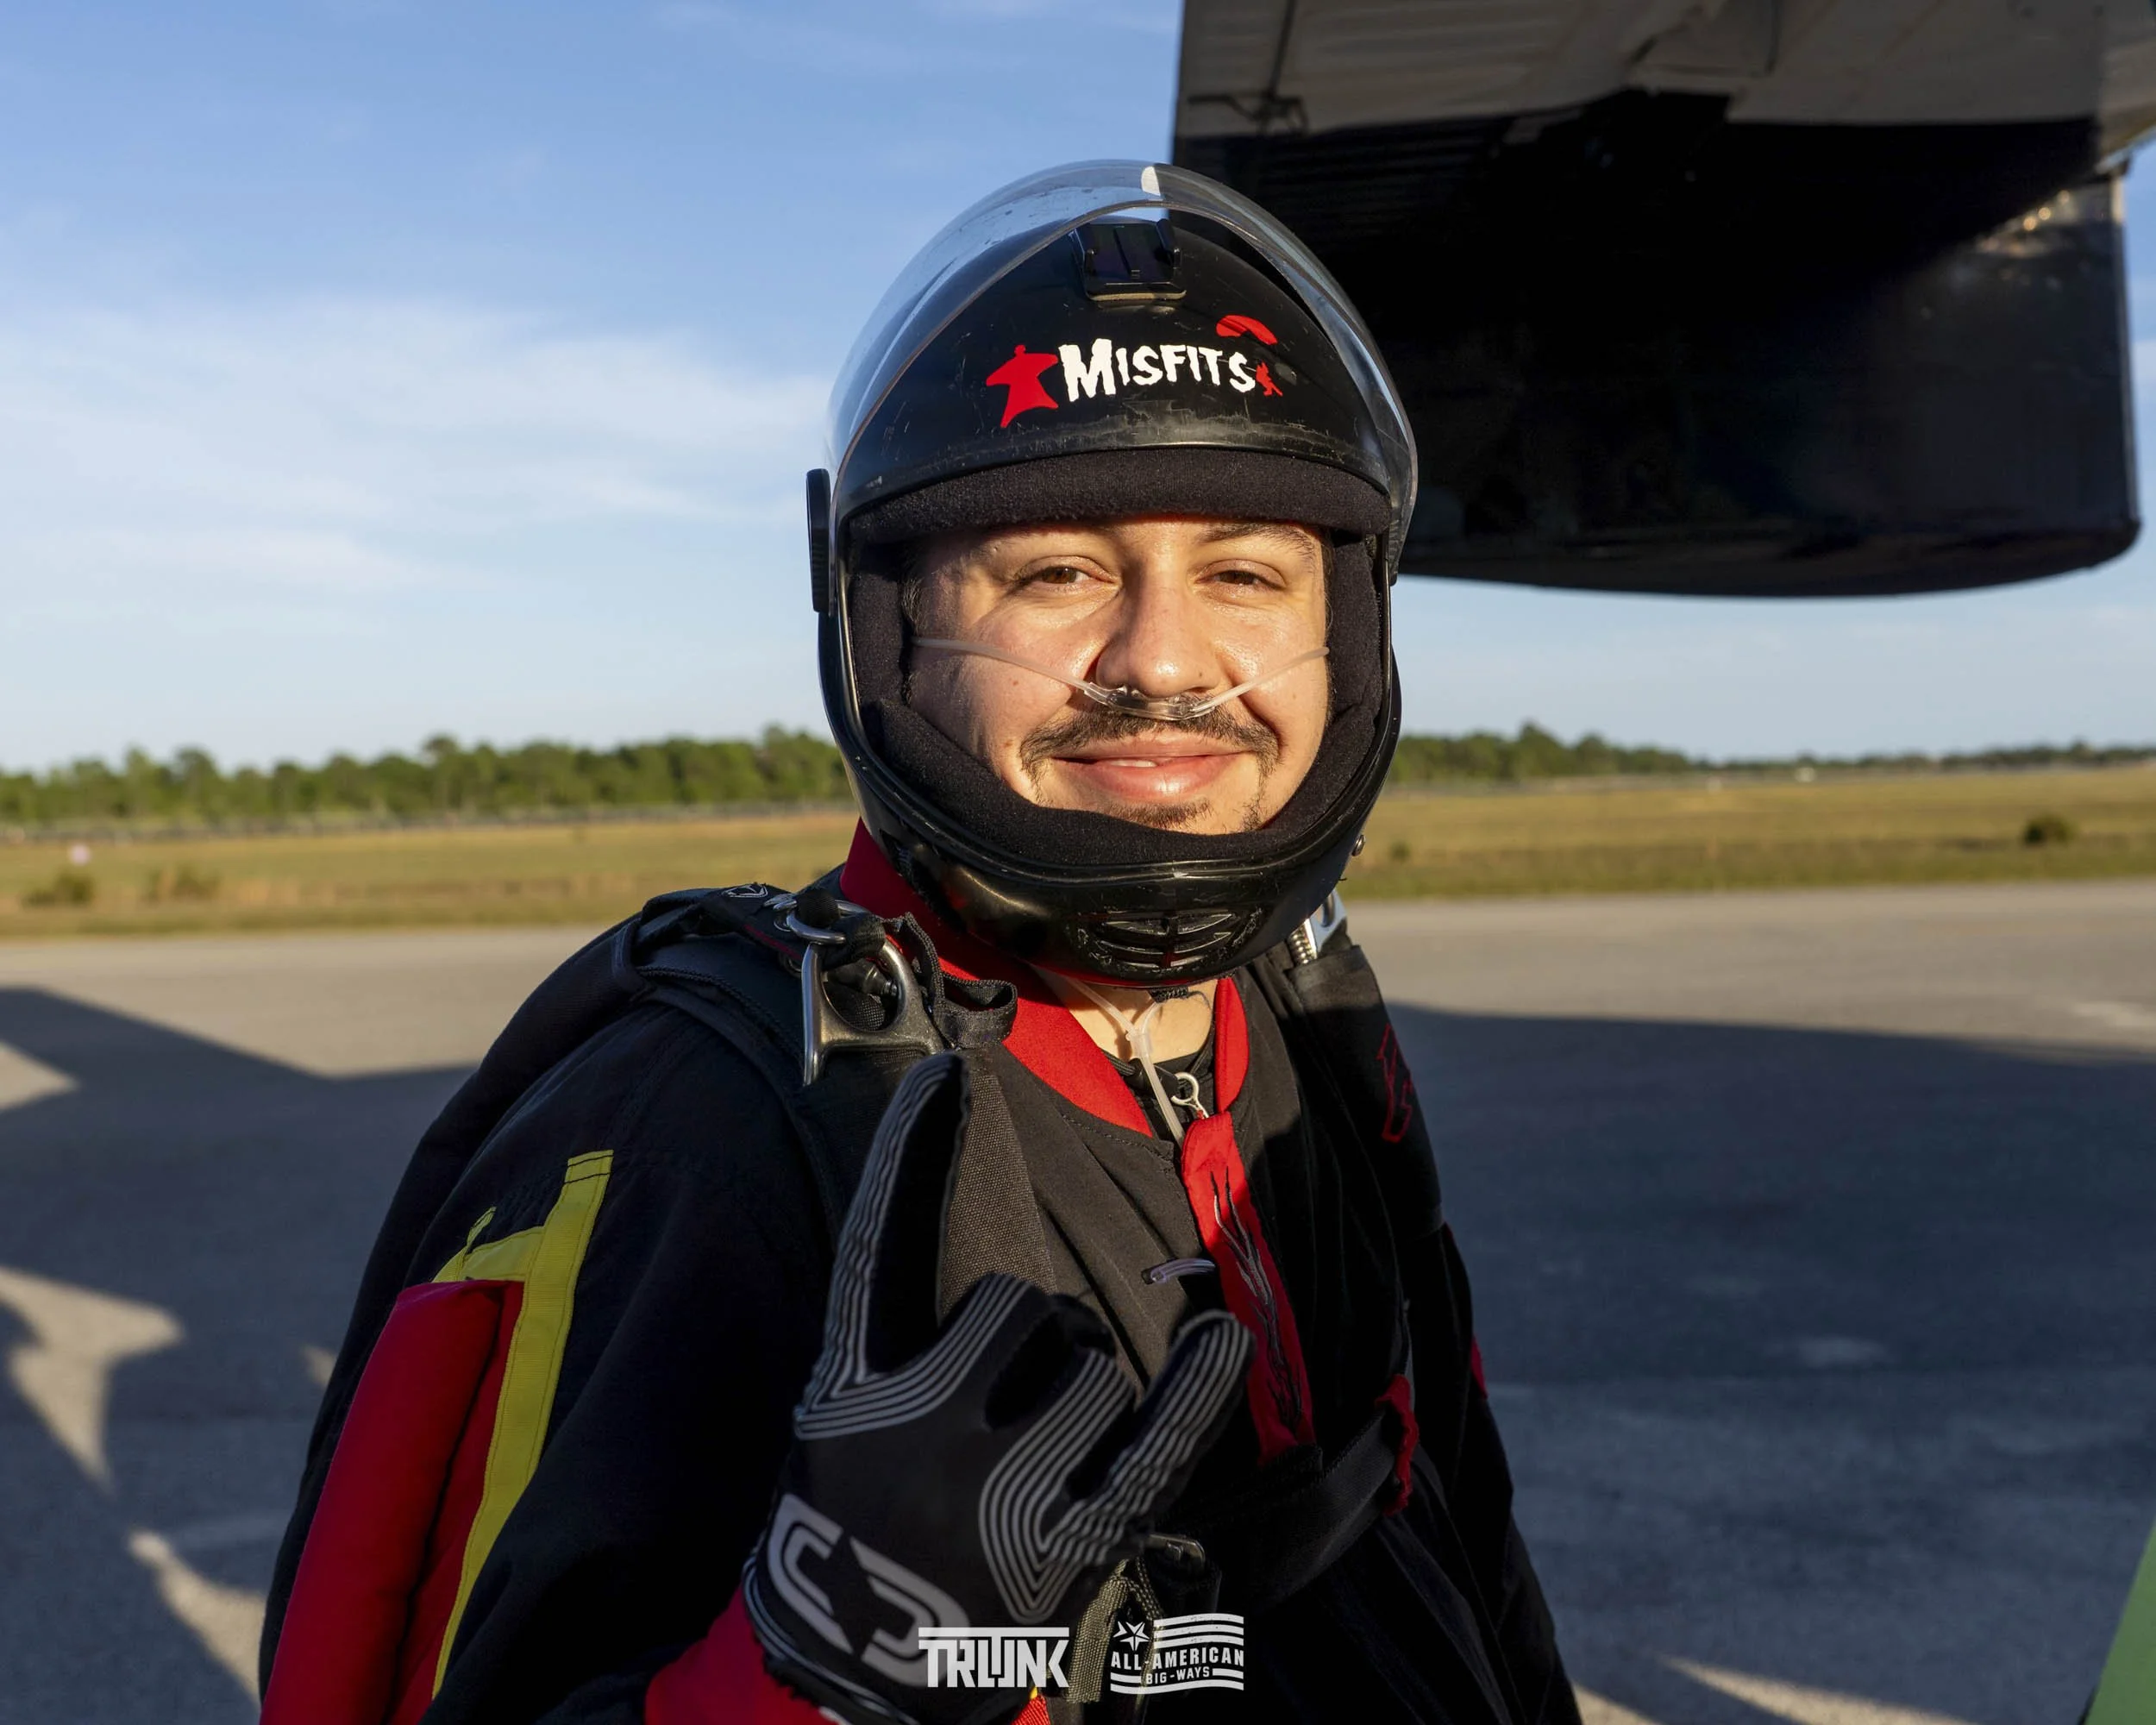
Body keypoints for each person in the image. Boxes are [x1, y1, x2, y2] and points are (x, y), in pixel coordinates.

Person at [258, 161, 1577, 1725]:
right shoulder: (715, 1120)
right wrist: (824, 1671)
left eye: (1244, 573)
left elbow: (1456, 1523)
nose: (1163, 658)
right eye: (1056, 573)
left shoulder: (1294, 1030)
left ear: (1345, 633)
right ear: (891, 634)